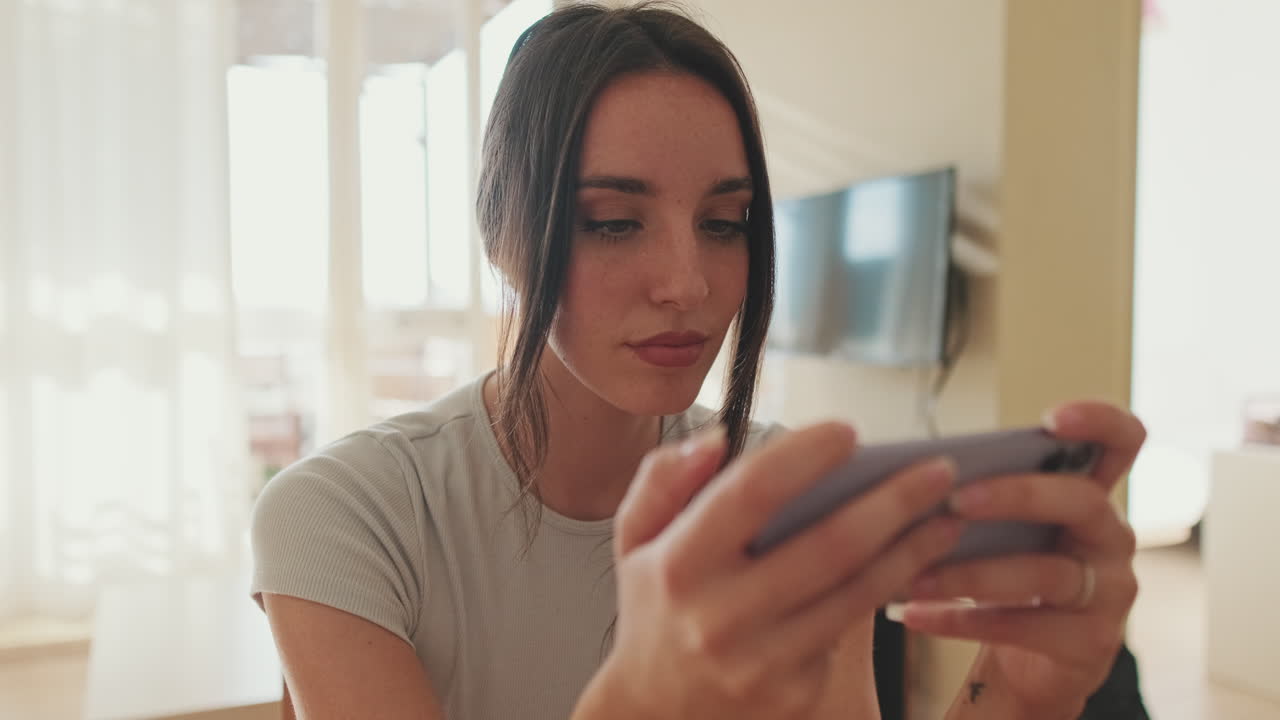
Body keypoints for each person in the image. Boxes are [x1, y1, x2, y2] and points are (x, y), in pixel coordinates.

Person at [249, 3, 1147, 719]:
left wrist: (1024, 697)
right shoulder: (342, 519)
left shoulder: (779, 491)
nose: (688, 283)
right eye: (611, 220)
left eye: (725, 224)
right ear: (501, 232)